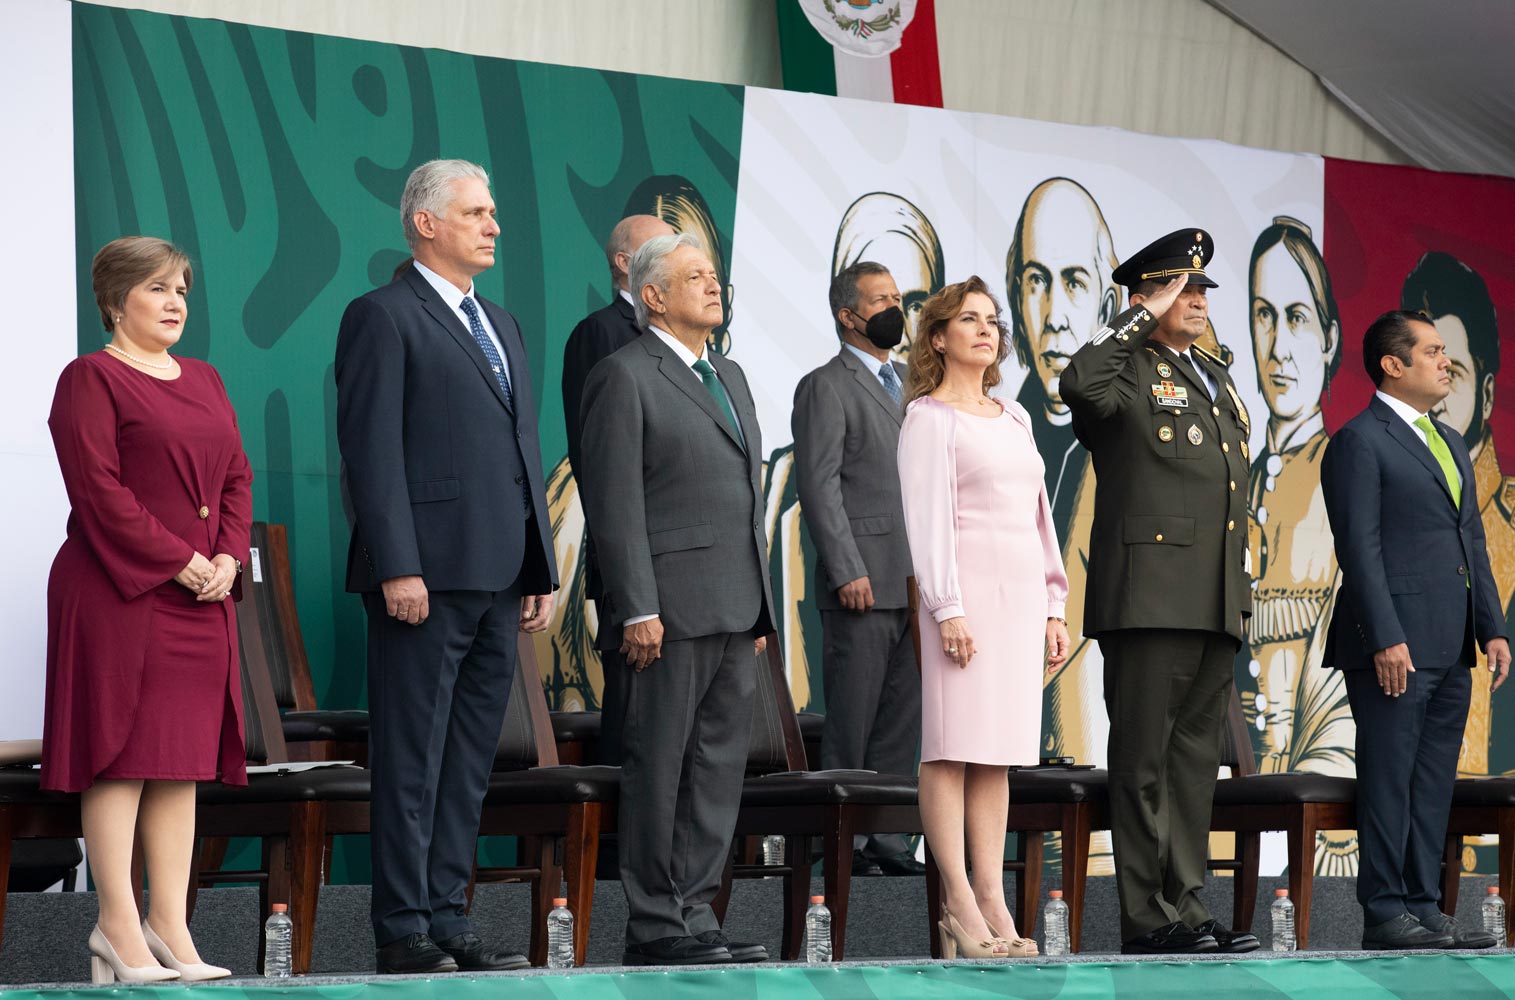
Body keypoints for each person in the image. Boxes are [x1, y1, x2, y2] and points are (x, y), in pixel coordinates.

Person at [335, 159, 558, 975]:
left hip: (502, 574)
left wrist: (538, 562)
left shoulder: (501, 323)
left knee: (469, 757)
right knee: (411, 756)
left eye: (494, 210)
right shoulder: (381, 316)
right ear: (425, 223)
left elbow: (521, 452)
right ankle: (401, 926)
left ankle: (448, 915)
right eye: (475, 211)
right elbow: (370, 450)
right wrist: (398, 565)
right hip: (423, 577)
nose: (493, 224)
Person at [43, 236, 251, 983]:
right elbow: (99, 493)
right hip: (117, 594)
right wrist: (181, 560)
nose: (174, 305)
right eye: (158, 289)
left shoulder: (205, 378)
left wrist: (226, 556)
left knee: (179, 764)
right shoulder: (89, 379)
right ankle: (116, 927)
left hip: (201, 595)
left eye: (183, 291)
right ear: (115, 300)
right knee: (122, 757)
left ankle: (170, 925)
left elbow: (235, 476)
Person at [1059, 229, 1258, 955]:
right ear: (1141, 296)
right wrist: (1138, 317)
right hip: (1147, 596)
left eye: (1201, 288)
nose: (1196, 300)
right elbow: (1079, 384)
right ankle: (1148, 918)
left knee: (1191, 765)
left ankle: (1188, 906)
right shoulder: (1125, 370)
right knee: (1143, 762)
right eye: (1179, 287)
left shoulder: (1211, 374)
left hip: (1211, 597)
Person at [578, 232, 774, 966]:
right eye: (694, 276)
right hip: (666, 608)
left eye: (715, 275)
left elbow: (743, 497)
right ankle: (655, 921)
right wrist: (635, 605)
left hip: (733, 605)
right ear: (652, 295)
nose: (712, 286)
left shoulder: (730, 374)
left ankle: (697, 912)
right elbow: (614, 501)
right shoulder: (624, 375)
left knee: (716, 767)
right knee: (660, 765)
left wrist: (756, 602)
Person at [1320, 309, 1511, 950]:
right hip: (1393, 642)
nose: (1445, 361)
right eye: (1431, 351)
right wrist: (1384, 634)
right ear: (1392, 366)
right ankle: (1384, 911)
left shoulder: (1449, 439)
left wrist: (1492, 627)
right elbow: (1359, 547)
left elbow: (1471, 542)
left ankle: (1425, 907)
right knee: (1389, 775)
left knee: (1432, 780)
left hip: (1451, 642)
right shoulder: (1359, 440)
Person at [897, 275, 1070, 959]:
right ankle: (958, 902)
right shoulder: (926, 419)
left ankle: (992, 892)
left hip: (1020, 598)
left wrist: (1053, 606)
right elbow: (926, 521)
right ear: (937, 336)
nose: (985, 329)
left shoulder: (1017, 417)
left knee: (995, 755)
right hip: (962, 601)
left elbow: (1039, 519)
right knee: (949, 748)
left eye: (991, 320)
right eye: (967, 319)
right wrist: (945, 607)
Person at [792, 261, 923, 878]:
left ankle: (891, 842)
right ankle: (841, 845)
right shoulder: (827, 384)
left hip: (915, 582)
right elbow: (818, 487)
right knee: (853, 720)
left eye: (898, 297)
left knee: (903, 720)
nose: (895, 308)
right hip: (862, 582)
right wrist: (845, 568)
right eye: (880, 299)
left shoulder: (914, 383)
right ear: (848, 315)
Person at [560, 213, 675, 766]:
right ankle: (614, 853)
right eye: (664, 247)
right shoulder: (602, 336)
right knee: (635, 731)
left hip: (684, 575)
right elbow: (600, 466)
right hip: (634, 567)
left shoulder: (692, 353)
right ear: (627, 266)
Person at [1402, 252, 1515, 783]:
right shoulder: (1377, 455)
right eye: (1431, 360)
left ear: (1488, 393)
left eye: (1455, 367)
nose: (1441, 377)